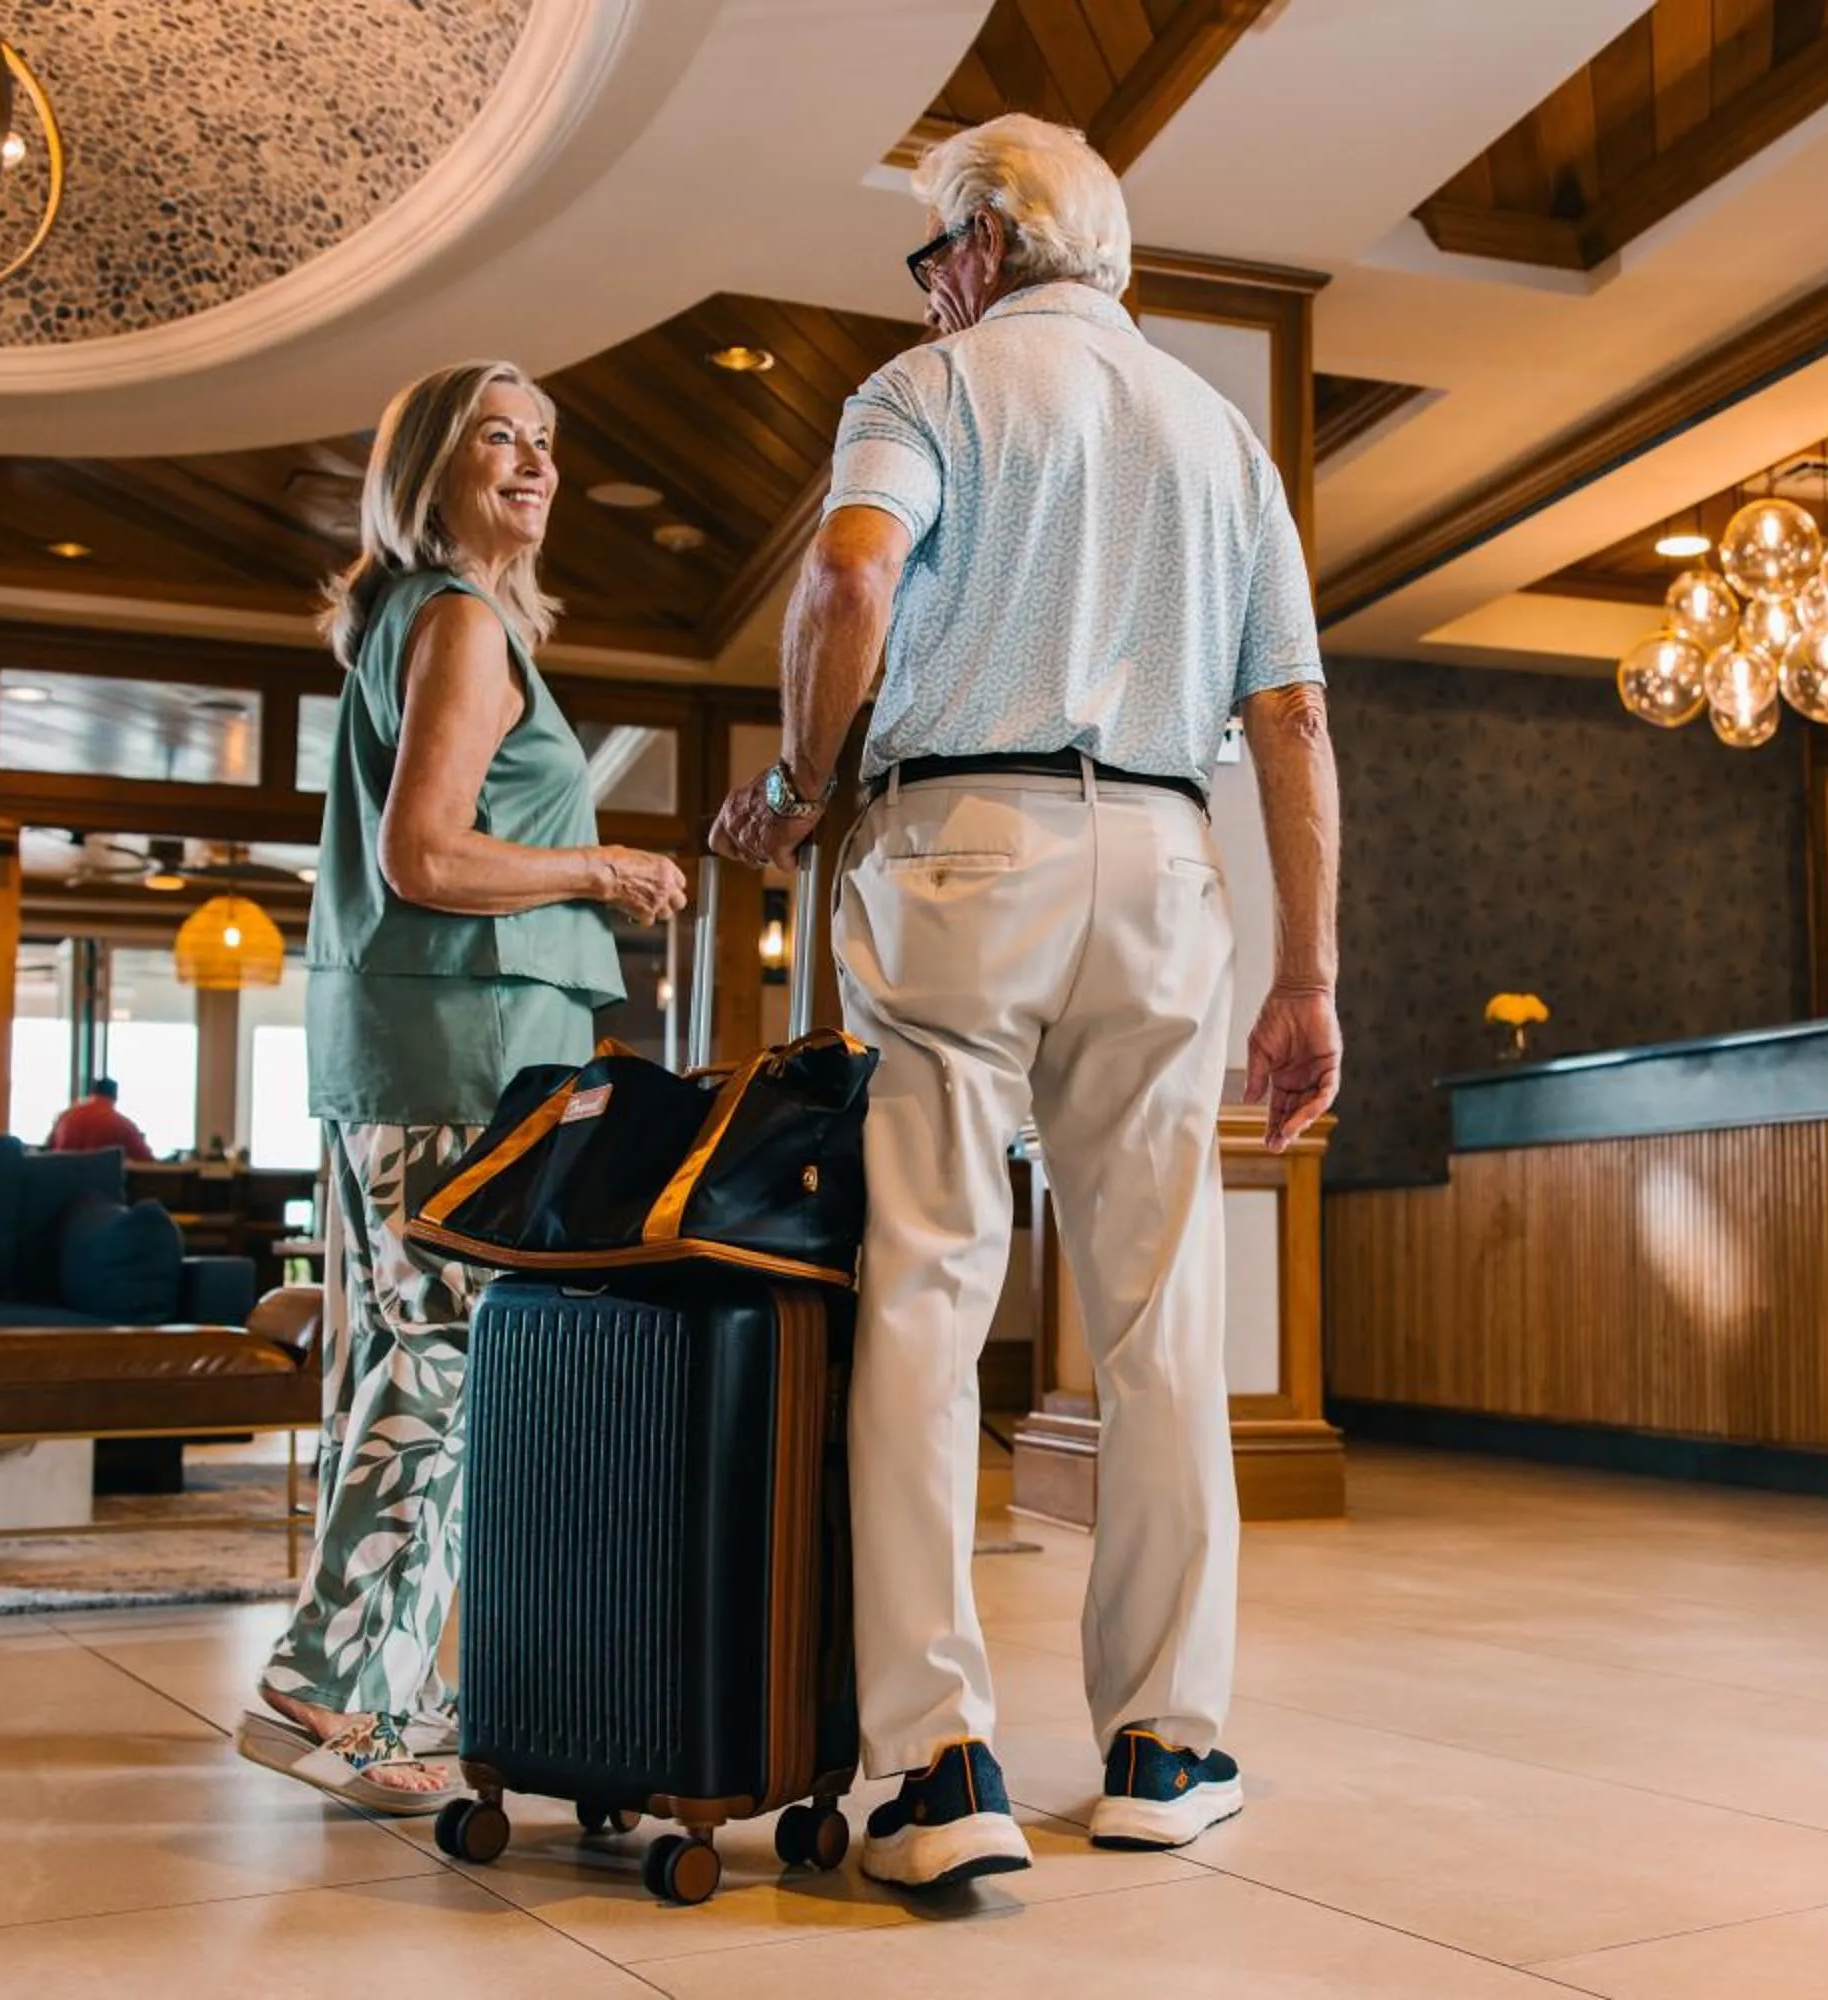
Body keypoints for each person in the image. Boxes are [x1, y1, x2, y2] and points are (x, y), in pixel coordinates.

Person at [713, 112, 1342, 1891]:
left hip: (953, 846)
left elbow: (849, 578)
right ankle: (1164, 1745)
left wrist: (797, 783)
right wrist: (1308, 974)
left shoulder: (928, 393)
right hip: (1159, 856)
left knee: (925, 1292)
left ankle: (938, 1768)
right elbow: (1290, 720)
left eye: (931, 259)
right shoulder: (1223, 438)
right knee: (1157, 1319)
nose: (928, 291)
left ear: (978, 250)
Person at [233, 360, 687, 1815]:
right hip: (463, 1052)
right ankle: (322, 1689)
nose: (537, 463)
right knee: (439, 1369)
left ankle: (398, 1698)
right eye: (502, 435)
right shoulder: (460, 619)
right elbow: (425, 859)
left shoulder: (424, 621)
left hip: (423, 1045)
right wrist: (601, 868)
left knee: (410, 1359)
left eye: (549, 441)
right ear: (428, 466)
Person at [45, 1077, 151, 1160]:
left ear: (91, 1094)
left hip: (60, 1183)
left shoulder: (64, 1118)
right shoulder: (122, 1125)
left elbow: (47, 1151)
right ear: (115, 1097)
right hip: (99, 1186)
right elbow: (146, 1160)